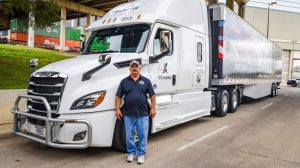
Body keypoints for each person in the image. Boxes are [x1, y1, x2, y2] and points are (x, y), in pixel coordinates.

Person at [115, 60, 156, 164]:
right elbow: (118, 96)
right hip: (128, 114)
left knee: (142, 135)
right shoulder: (124, 81)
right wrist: (117, 109)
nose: (134, 68)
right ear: (129, 69)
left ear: (140, 68)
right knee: (129, 135)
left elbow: (152, 96)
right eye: (132, 67)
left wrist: (153, 108)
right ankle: (131, 153)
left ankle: (141, 154)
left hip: (143, 114)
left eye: (136, 66)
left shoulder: (146, 81)